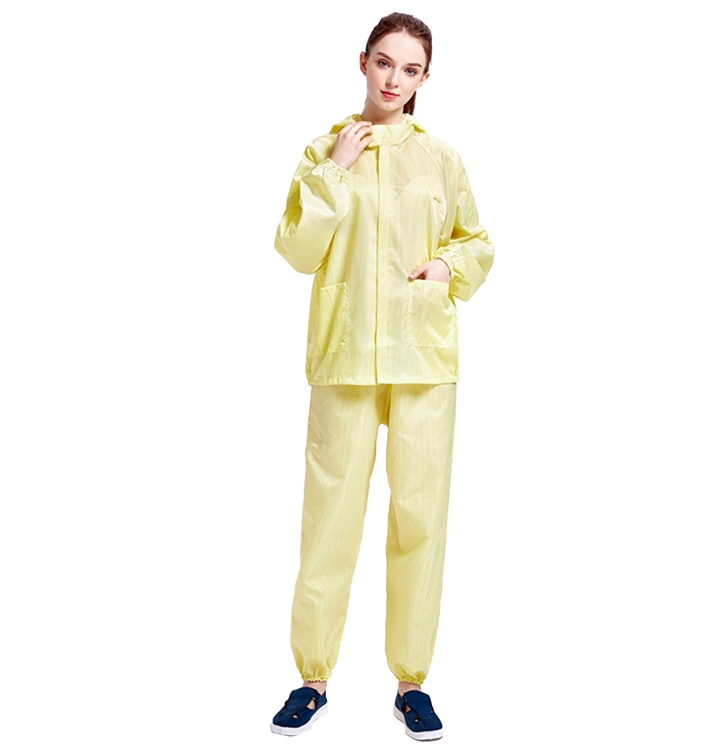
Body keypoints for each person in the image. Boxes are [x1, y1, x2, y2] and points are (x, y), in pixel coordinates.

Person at [270, 12, 493, 741]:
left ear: (426, 77)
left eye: (411, 68)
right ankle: (312, 678)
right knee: (329, 521)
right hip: (345, 355)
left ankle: (411, 684)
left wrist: (447, 268)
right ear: (362, 62)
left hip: (423, 356)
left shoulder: (442, 159)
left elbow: (476, 242)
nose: (395, 79)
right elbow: (297, 250)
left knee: (420, 520)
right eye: (385, 63)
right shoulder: (323, 150)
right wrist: (335, 169)